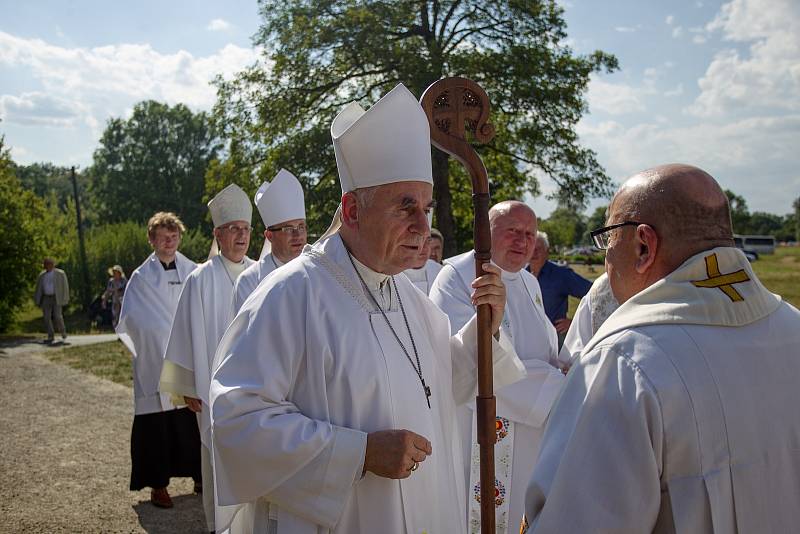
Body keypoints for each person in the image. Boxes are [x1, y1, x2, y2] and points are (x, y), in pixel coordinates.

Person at [209, 83, 525, 533]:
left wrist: (484, 330)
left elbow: (437, 383)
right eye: (405, 206)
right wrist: (357, 454)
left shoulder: (411, 300)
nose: (422, 225)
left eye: (427, 207)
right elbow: (237, 422)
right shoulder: (291, 294)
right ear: (353, 210)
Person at [522, 164, 800, 533]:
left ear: (642, 246)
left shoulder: (625, 362)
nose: (606, 257)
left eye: (607, 238)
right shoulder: (792, 325)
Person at [430, 200, 562, 534]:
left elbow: (541, 348)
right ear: (486, 233)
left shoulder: (528, 281)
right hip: (482, 430)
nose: (523, 241)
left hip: (532, 431)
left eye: (530, 234)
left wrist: (563, 367)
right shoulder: (458, 276)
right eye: (513, 231)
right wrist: (559, 387)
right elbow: (469, 361)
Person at [160, 184, 255, 533]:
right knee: (217, 460)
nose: (241, 236)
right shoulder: (200, 279)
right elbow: (183, 334)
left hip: (256, 389)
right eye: (233, 229)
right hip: (214, 392)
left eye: (245, 229)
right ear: (218, 234)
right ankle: (219, 526)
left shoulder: (261, 274)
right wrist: (188, 386)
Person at [116, 212, 202, 509]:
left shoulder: (194, 271)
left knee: (192, 421)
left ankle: (200, 475)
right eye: (163, 237)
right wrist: (157, 334)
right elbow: (131, 319)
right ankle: (158, 485)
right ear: (152, 239)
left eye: (174, 236)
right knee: (156, 427)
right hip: (154, 361)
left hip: (187, 357)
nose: (169, 241)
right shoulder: (141, 278)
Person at [232, 168, 307, 314]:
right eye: (288, 229)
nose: (298, 235)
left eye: (301, 226)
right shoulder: (249, 283)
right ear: (269, 236)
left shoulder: (316, 273)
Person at [528, 231, 591, 347]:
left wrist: (574, 323)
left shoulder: (561, 274)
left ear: (547, 252)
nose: (534, 252)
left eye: (539, 249)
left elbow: (593, 294)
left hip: (555, 339)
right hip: (527, 338)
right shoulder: (520, 274)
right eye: (531, 248)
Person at [556, 272, 619, 370]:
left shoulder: (604, 287)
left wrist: (570, 322)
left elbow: (586, 290)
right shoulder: (526, 274)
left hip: (558, 334)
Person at [33, 258, 69, 343]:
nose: (47, 266)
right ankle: (50, 335)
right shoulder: (42, 275)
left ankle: (63, 332)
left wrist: (65, 298)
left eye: (49, 264)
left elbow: (65, 286)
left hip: (56, 296)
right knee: (46, 317)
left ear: (53, 264)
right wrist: (37, 299)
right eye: (45, 264)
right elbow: (38, 288)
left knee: (57, 316)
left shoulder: (60, 273)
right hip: (46, 297)